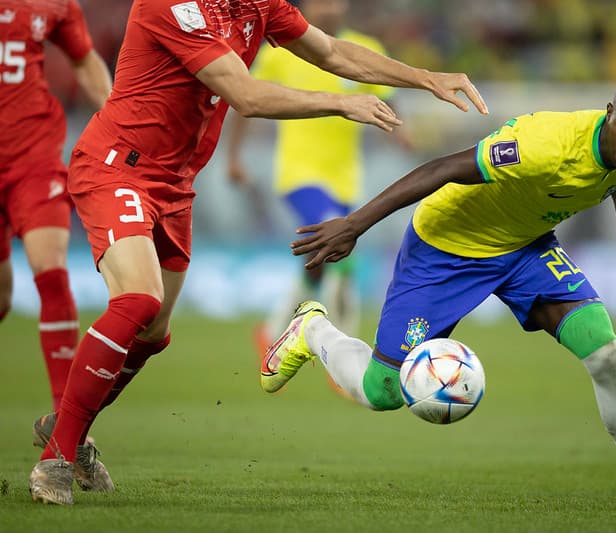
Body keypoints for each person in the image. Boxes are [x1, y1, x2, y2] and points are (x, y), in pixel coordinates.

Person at [27, 0, 487, 506]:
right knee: (138, 301)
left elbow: (333, 52)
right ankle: (59, 456)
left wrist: (426, 77)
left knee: (154, 334)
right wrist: (338, 103)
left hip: (175, 185)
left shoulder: (259, 5)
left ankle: (69, 421)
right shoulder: (169, 6)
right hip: (117, 168)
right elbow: (243, 95)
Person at [263, 61, 616, 514]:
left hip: (524, 250)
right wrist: (354, 225)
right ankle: (312, 329)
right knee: (383, 392)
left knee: (604, 351)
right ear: (610, 111)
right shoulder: (544, 145)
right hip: (446, 248)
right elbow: (443, 168)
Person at [227, 0, 411, 356]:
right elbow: (244, 101)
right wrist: (234, 157)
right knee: (338, 244)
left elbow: (387, 95)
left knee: (320, 260)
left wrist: (400, 133)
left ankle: (271, 330)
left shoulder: (364, 49)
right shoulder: (281, 51)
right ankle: (348, 354)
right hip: (298, 174)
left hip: (345, 177)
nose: (330, 8)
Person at [0, 2, 111, 418]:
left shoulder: (54, 4)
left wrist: (117, 117)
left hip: (34, 156)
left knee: (51, 271)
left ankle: (66, 425)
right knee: (2, 296)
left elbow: (84, 60)